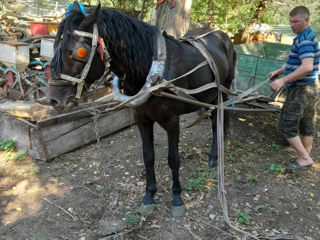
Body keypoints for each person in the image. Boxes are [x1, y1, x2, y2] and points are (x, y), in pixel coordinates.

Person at [268, 6, 320, 170]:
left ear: (306, 20)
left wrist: (283, 81)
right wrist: (279, 70)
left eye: (296, 21)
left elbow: (306, 67)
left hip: (302, 90)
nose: (292, 25)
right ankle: (304, 157)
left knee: (286, 125)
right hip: (312, 88)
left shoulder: (304, 40)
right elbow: (295, 63)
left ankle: (304, 158)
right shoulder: (304, 37)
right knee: (307, 125)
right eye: (290, 22)